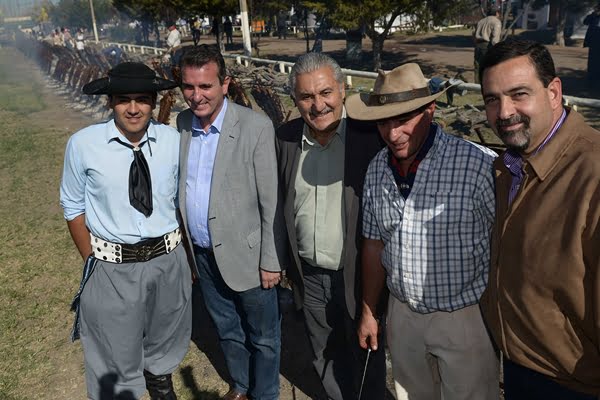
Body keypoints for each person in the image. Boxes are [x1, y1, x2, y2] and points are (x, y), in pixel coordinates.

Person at [349, 63, 499, 400]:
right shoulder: (376, 169)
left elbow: (505, 243)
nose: (392, 133)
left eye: (402, 119)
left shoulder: (477, 165)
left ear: (430, 110)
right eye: (383, 122)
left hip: (463, 316)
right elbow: (374, 244)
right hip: (402, 315)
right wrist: (370, 312)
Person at [60, 62, 191, 400]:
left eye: (142, 99)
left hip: (167, 260)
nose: (133, 109)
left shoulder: (172, 141)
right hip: (113, 267)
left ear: (153, 101)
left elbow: (181, 200)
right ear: (110, 102)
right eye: (123, 99)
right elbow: (74, 208)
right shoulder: (83, 145)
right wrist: (95, 260)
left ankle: (161, 384)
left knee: (165, 339)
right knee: (115, 354)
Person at [478, 38, 600, 399]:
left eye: (519, 94)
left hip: (573, 384)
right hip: (521, 369)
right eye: (491, 99)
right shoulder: (509, 165)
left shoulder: (592, 173)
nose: (504, 112)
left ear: (553, 92)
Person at [176, 45, 287, 400]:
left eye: (205, 86)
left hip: (249, 256)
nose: (197, 96)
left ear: (225, 83)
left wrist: (271, 259)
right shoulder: (181, 124)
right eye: (189, 87)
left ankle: (266, 394)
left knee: (264, 337)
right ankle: (240, 385)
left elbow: (271, 200)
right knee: (226, 327)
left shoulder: (255, 127)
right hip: (203, 254)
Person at [275, 52, 386, 400]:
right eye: (307, 97)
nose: (318, 105)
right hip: (309, 276)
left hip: (357, 276)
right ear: (296, 100)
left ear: (342, 90)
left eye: (325, 93)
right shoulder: (285, 140)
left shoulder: (369, 140)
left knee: (366, 355)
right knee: (323, 353)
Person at [473, 6, 501, 83]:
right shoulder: (496, 21)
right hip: (488, 45)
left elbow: (474, 34)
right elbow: (495, 37)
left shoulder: (481, 21)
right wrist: (496, 49)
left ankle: (477, 86)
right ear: (497, 13)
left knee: (478, 66)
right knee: (490, 65)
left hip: (478, 45)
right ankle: (490, 83)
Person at [584, 4, 600, 84]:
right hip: (594, 42)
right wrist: (594, 14)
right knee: (592, 61)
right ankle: (591, 78)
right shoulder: (594, 16)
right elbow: (585, 22)